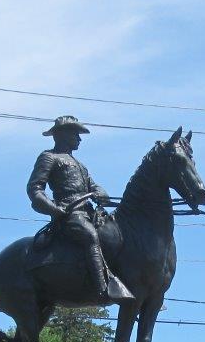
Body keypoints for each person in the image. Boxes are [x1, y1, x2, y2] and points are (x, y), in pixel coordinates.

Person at [27, 115, 132, 301]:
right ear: (62, 135)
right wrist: (54, 209)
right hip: (70, 214)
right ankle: (102, 289)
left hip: (89, 212)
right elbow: (35, 189)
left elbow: (94, 186)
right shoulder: (49, 157)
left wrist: (102, 194)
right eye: (75, 134)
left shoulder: (81, 166)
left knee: (117, 234)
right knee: (90, 236)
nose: (79, 138)